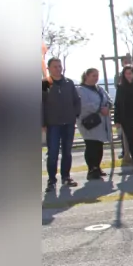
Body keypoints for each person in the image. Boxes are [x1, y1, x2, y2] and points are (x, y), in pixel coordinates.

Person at [43, 58, 81, 191]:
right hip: (53, 124)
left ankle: (66, 177)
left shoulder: (68, 83)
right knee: (53, 153)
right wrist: (43, 122)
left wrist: (74, 114)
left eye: (59, 66)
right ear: (49, 68)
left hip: (68, 123)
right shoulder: (45, 84)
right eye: (55, 67)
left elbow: (77, 101)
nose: (58, 69)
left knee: (67, 151)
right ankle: (51, 180)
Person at [76, 68, 113, 181]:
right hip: (88, 122)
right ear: (86, 76)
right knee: (91, 145)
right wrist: (100, 108)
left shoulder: (100, 89)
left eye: (97, 76)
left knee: (99, 145)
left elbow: (109, 100)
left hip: (101, 121)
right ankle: (91, 169)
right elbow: (84, 104)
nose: (95, 78)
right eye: (93, 75)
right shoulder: (80, 89)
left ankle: (97, 167)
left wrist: (107, 107)